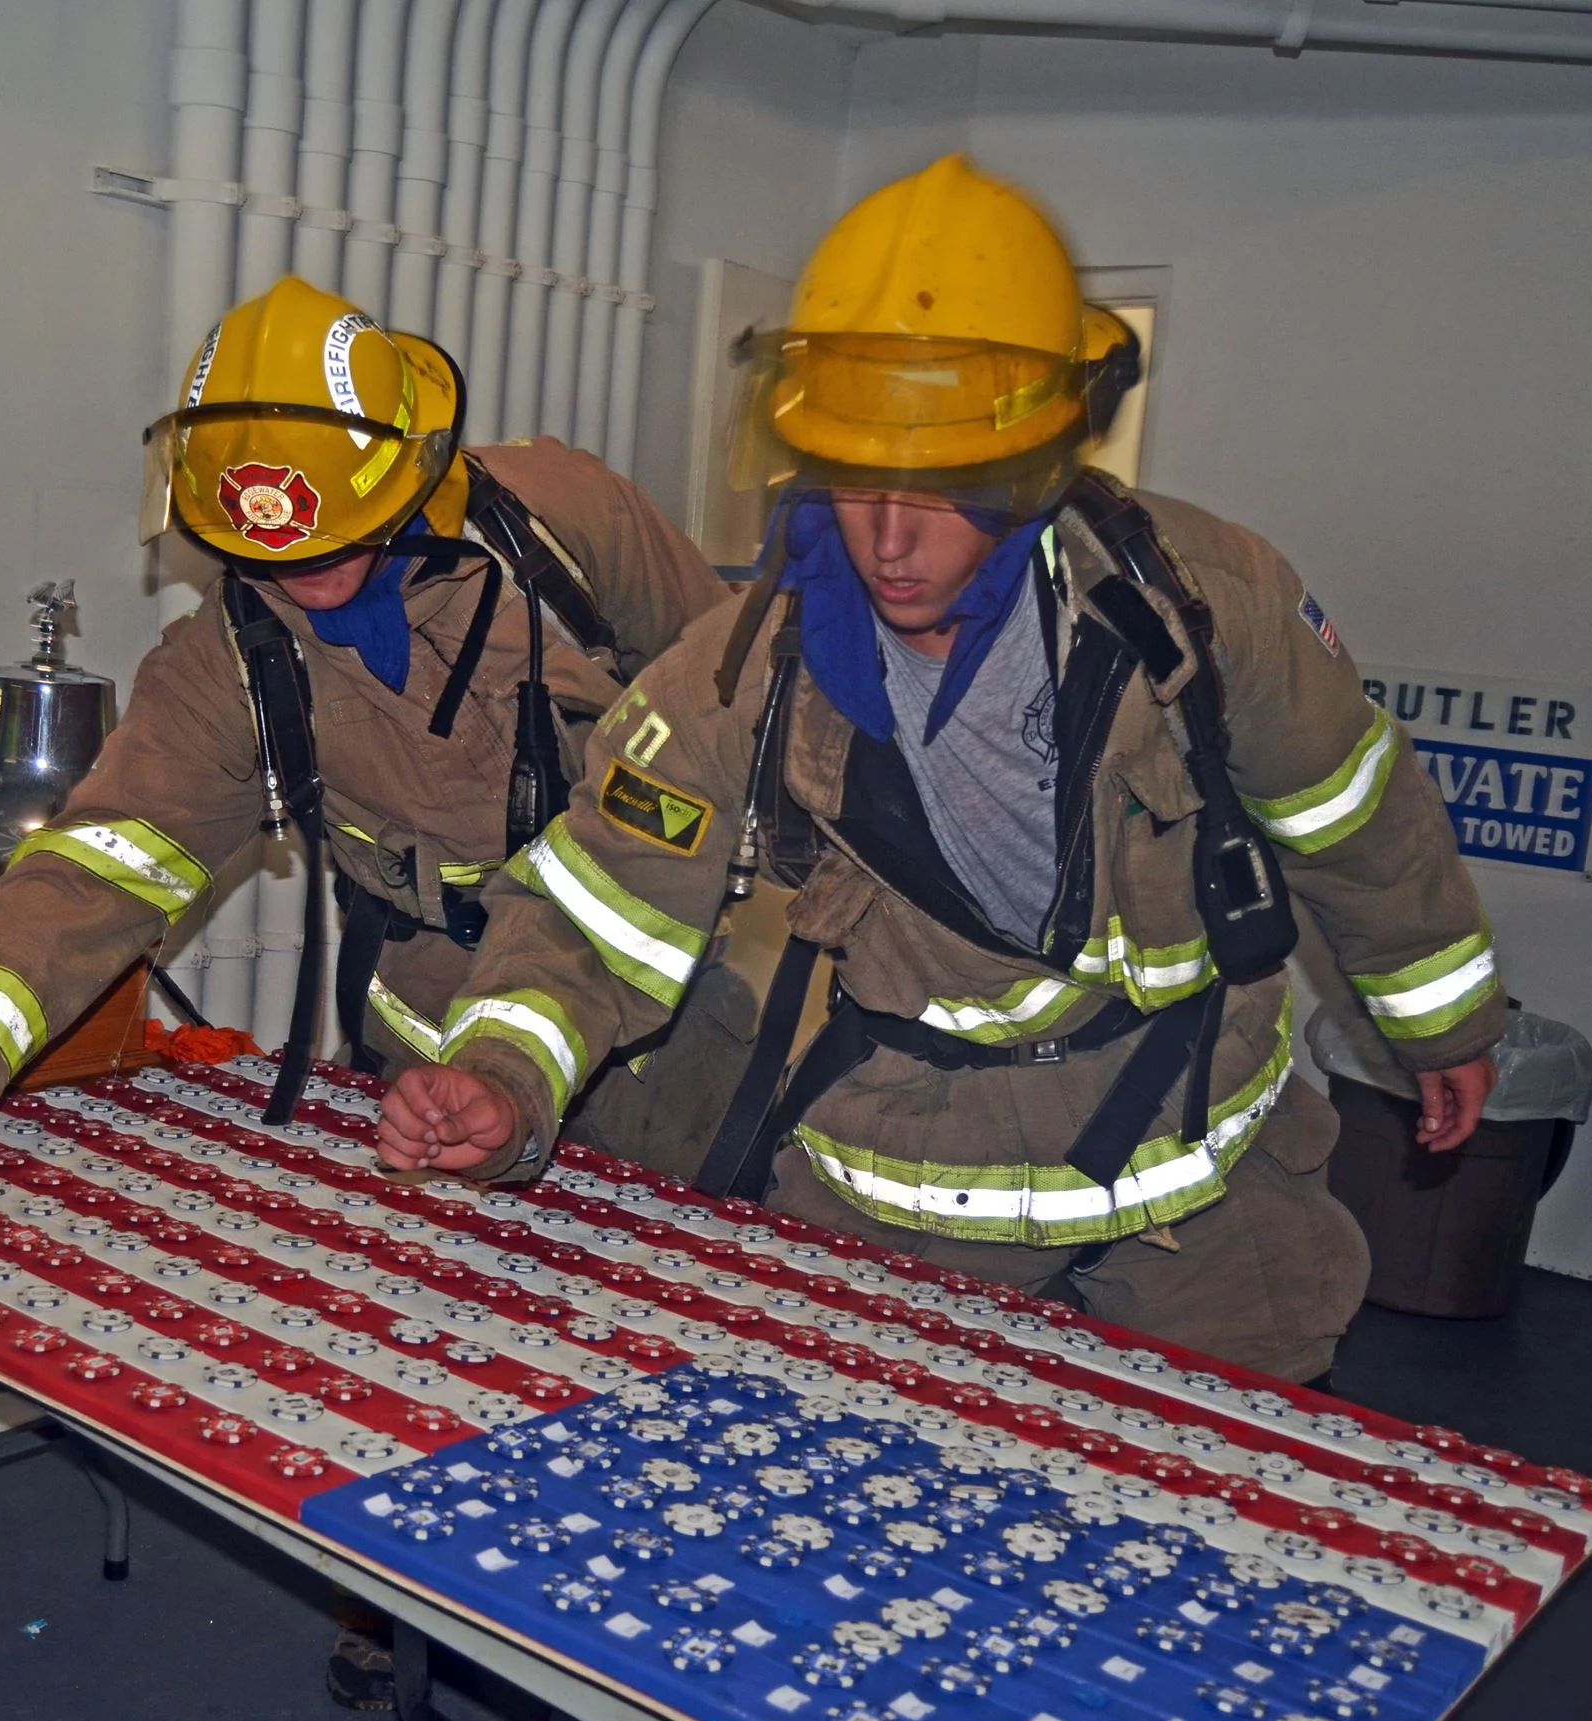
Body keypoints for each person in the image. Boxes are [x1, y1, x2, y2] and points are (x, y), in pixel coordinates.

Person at [375, 156, 1503, 1387]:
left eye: (941, 490)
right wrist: (499, 1074)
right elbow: (600, 910)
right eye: (854, 482)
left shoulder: (1196, 606)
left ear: (1024, 469)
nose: (888, 540)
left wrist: (1437, 1019)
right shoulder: (742, 671)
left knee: (1214, 1520)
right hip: (907, 1193)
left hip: (1200, 1174)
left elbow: (1350, 810)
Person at [0, 274, 739, 1707]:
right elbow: (98, 870)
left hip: (678, 1020)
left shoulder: (566, 525)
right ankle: (418, 1609)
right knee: (443, 1354)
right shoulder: (220, 664)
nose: (308, 584)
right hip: (432, 1034)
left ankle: (682, 1659)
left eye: (342, 545)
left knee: (682, 1374)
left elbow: (745, 707)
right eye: (267, 558)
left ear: (413, 476)